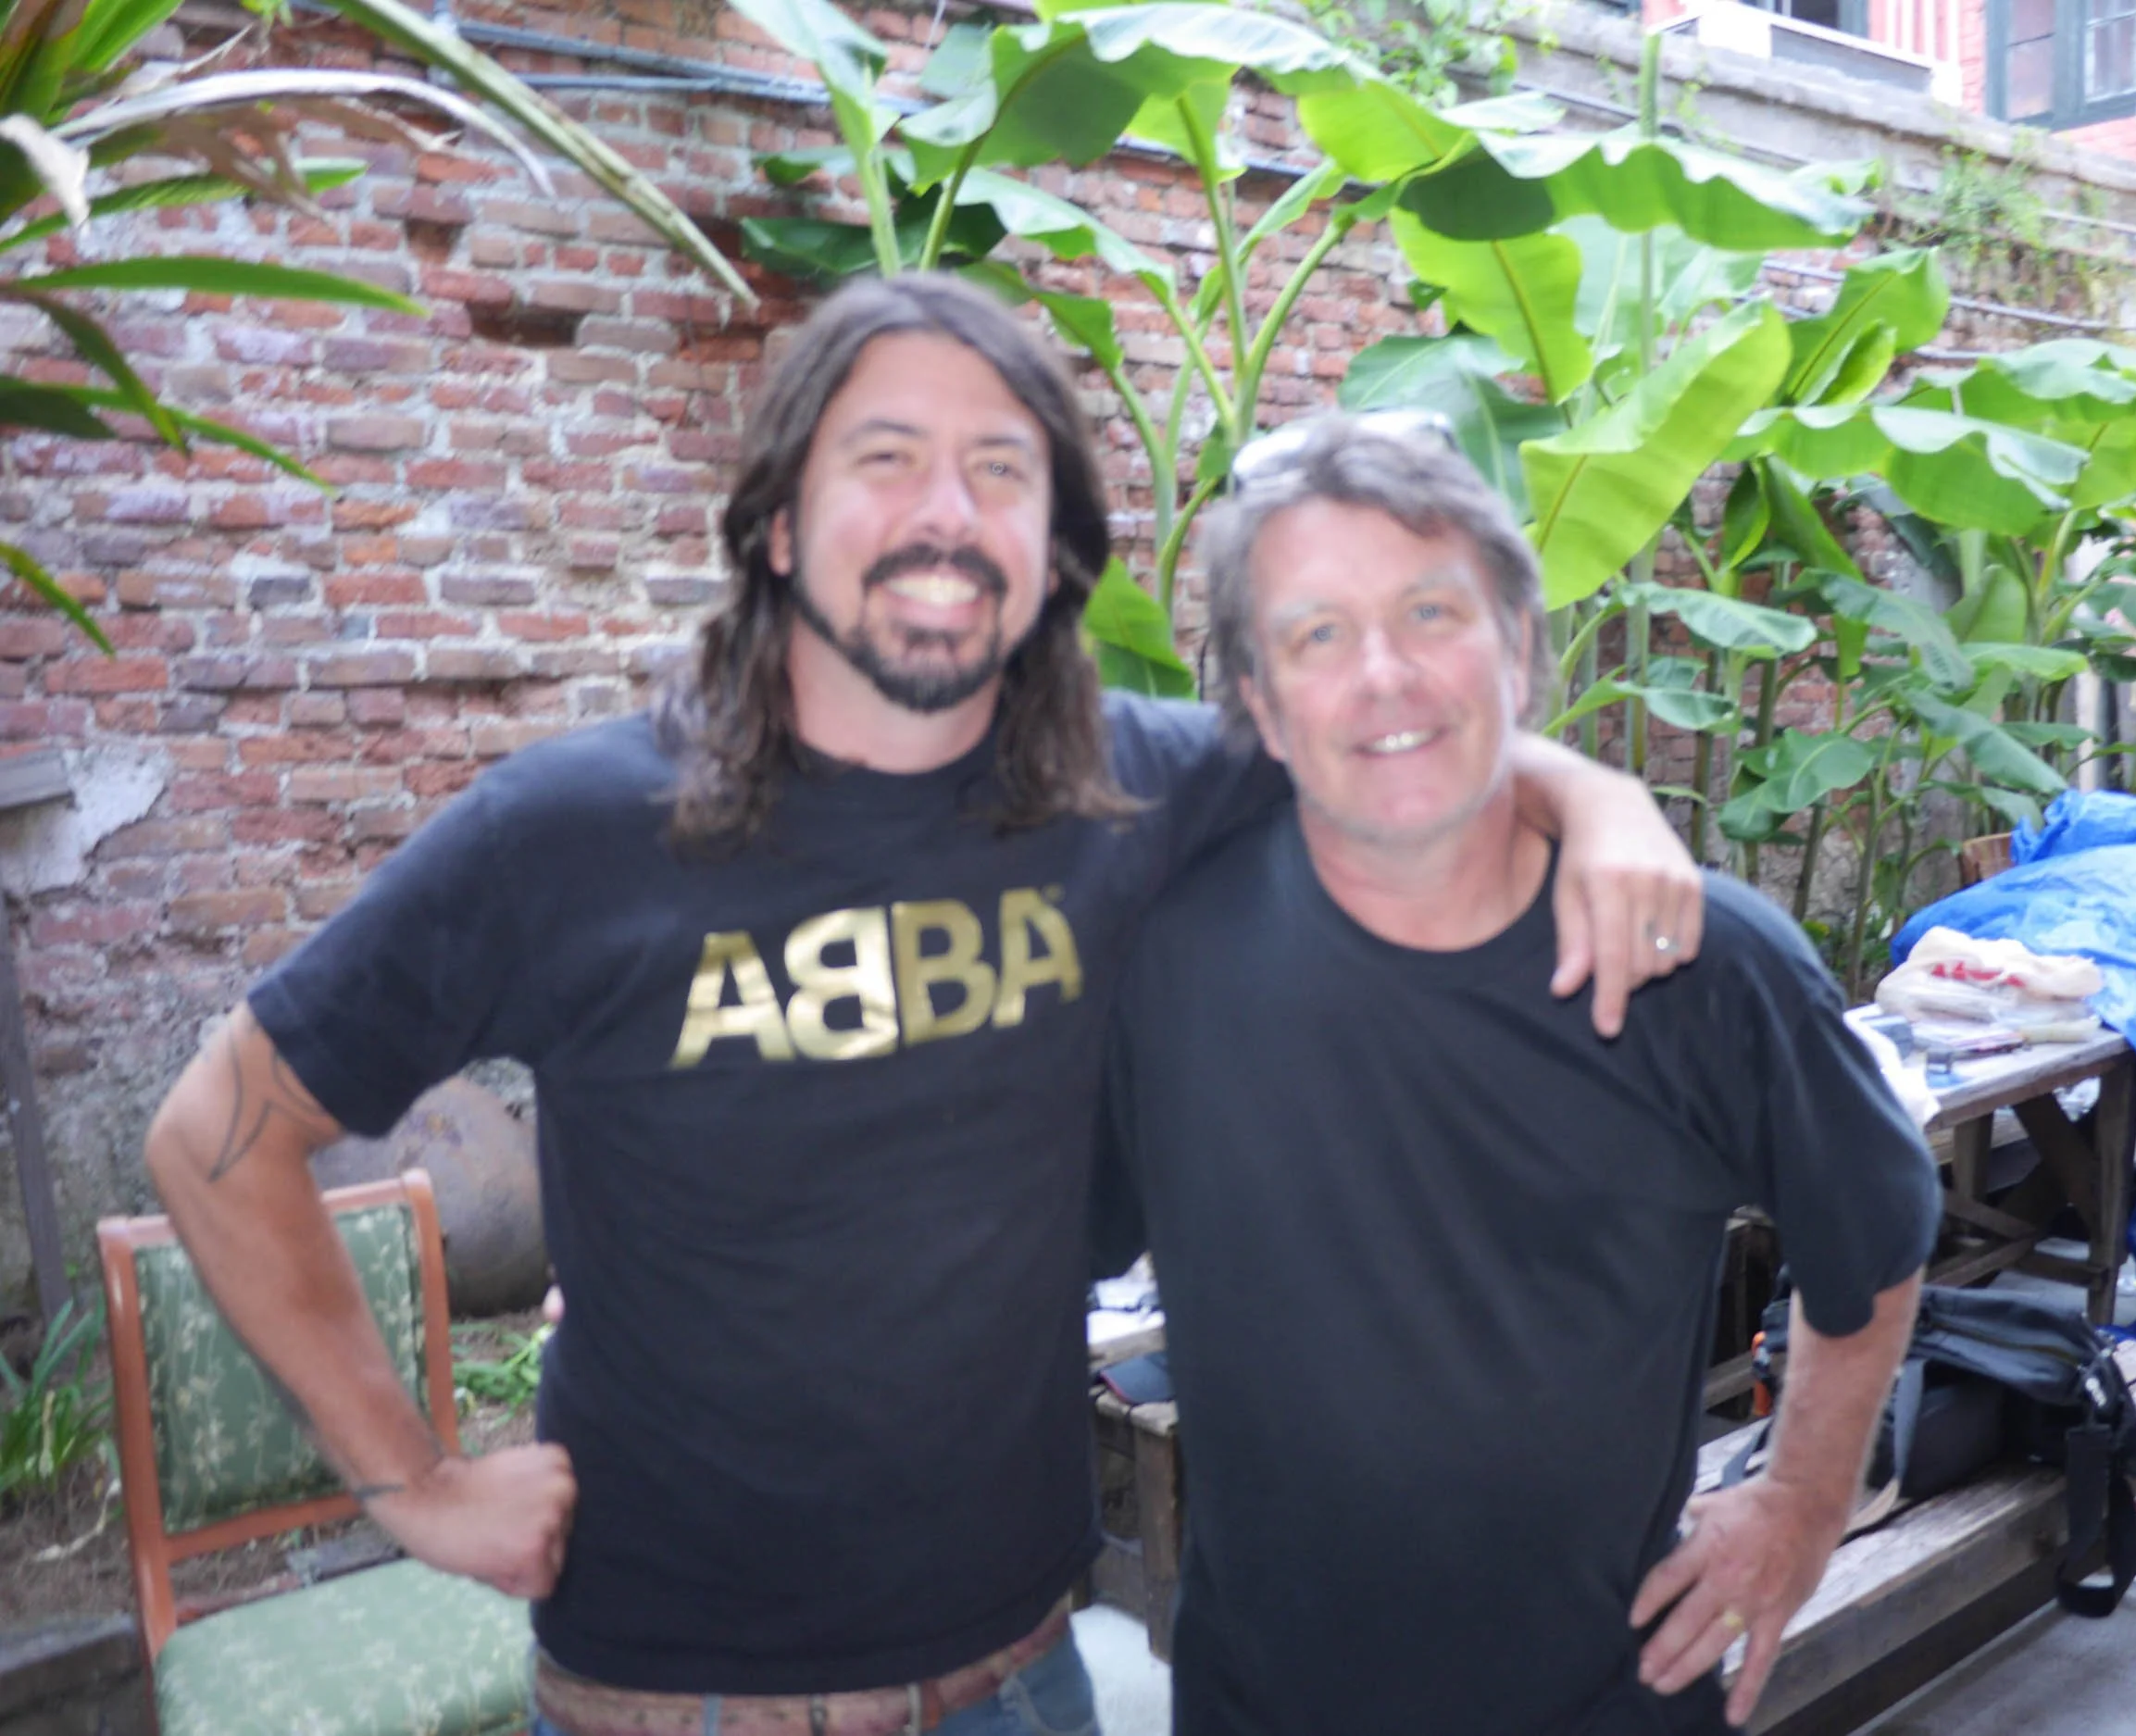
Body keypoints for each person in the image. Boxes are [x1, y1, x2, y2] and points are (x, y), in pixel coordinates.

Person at [139, 276, 1704, 1736]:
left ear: (1051, 552)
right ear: (775, 527)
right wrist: (412, 1478)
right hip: (680, 1694)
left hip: (1022, 1670)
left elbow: (1392, 749)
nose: (948, 513)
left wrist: (1603, 795)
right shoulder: (570, 835)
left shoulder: (1123, 789)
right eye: (885, 457)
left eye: (1001, 471)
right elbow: (218, 1134)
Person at [1094, 418, 1942, 1736]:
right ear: (1256, 702)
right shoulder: (1161, 950)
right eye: (1317, 632)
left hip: (1608, 1695)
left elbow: (1875, 1242)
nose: (1383, 674)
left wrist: (1801, 1500)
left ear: (1524, 651)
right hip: (1261, 1699)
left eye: (1432, 612)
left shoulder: (1700, 963)